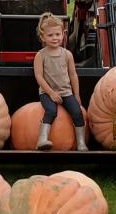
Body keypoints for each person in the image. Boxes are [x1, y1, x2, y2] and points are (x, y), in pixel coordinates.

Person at [32, 13, 88, 151]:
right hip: (47, 92)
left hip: (66, 92)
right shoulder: (40, 55)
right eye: (50, 35)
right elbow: (39, 77)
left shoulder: (67, 54)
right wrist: (51, 93)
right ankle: (42, 139)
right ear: (42, 37)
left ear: (63, 34)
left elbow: (73, 75)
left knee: (77, 112)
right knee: (51, 111)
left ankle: (81, 143)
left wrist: (77, 95)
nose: (54, 38)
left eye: (57, 34)